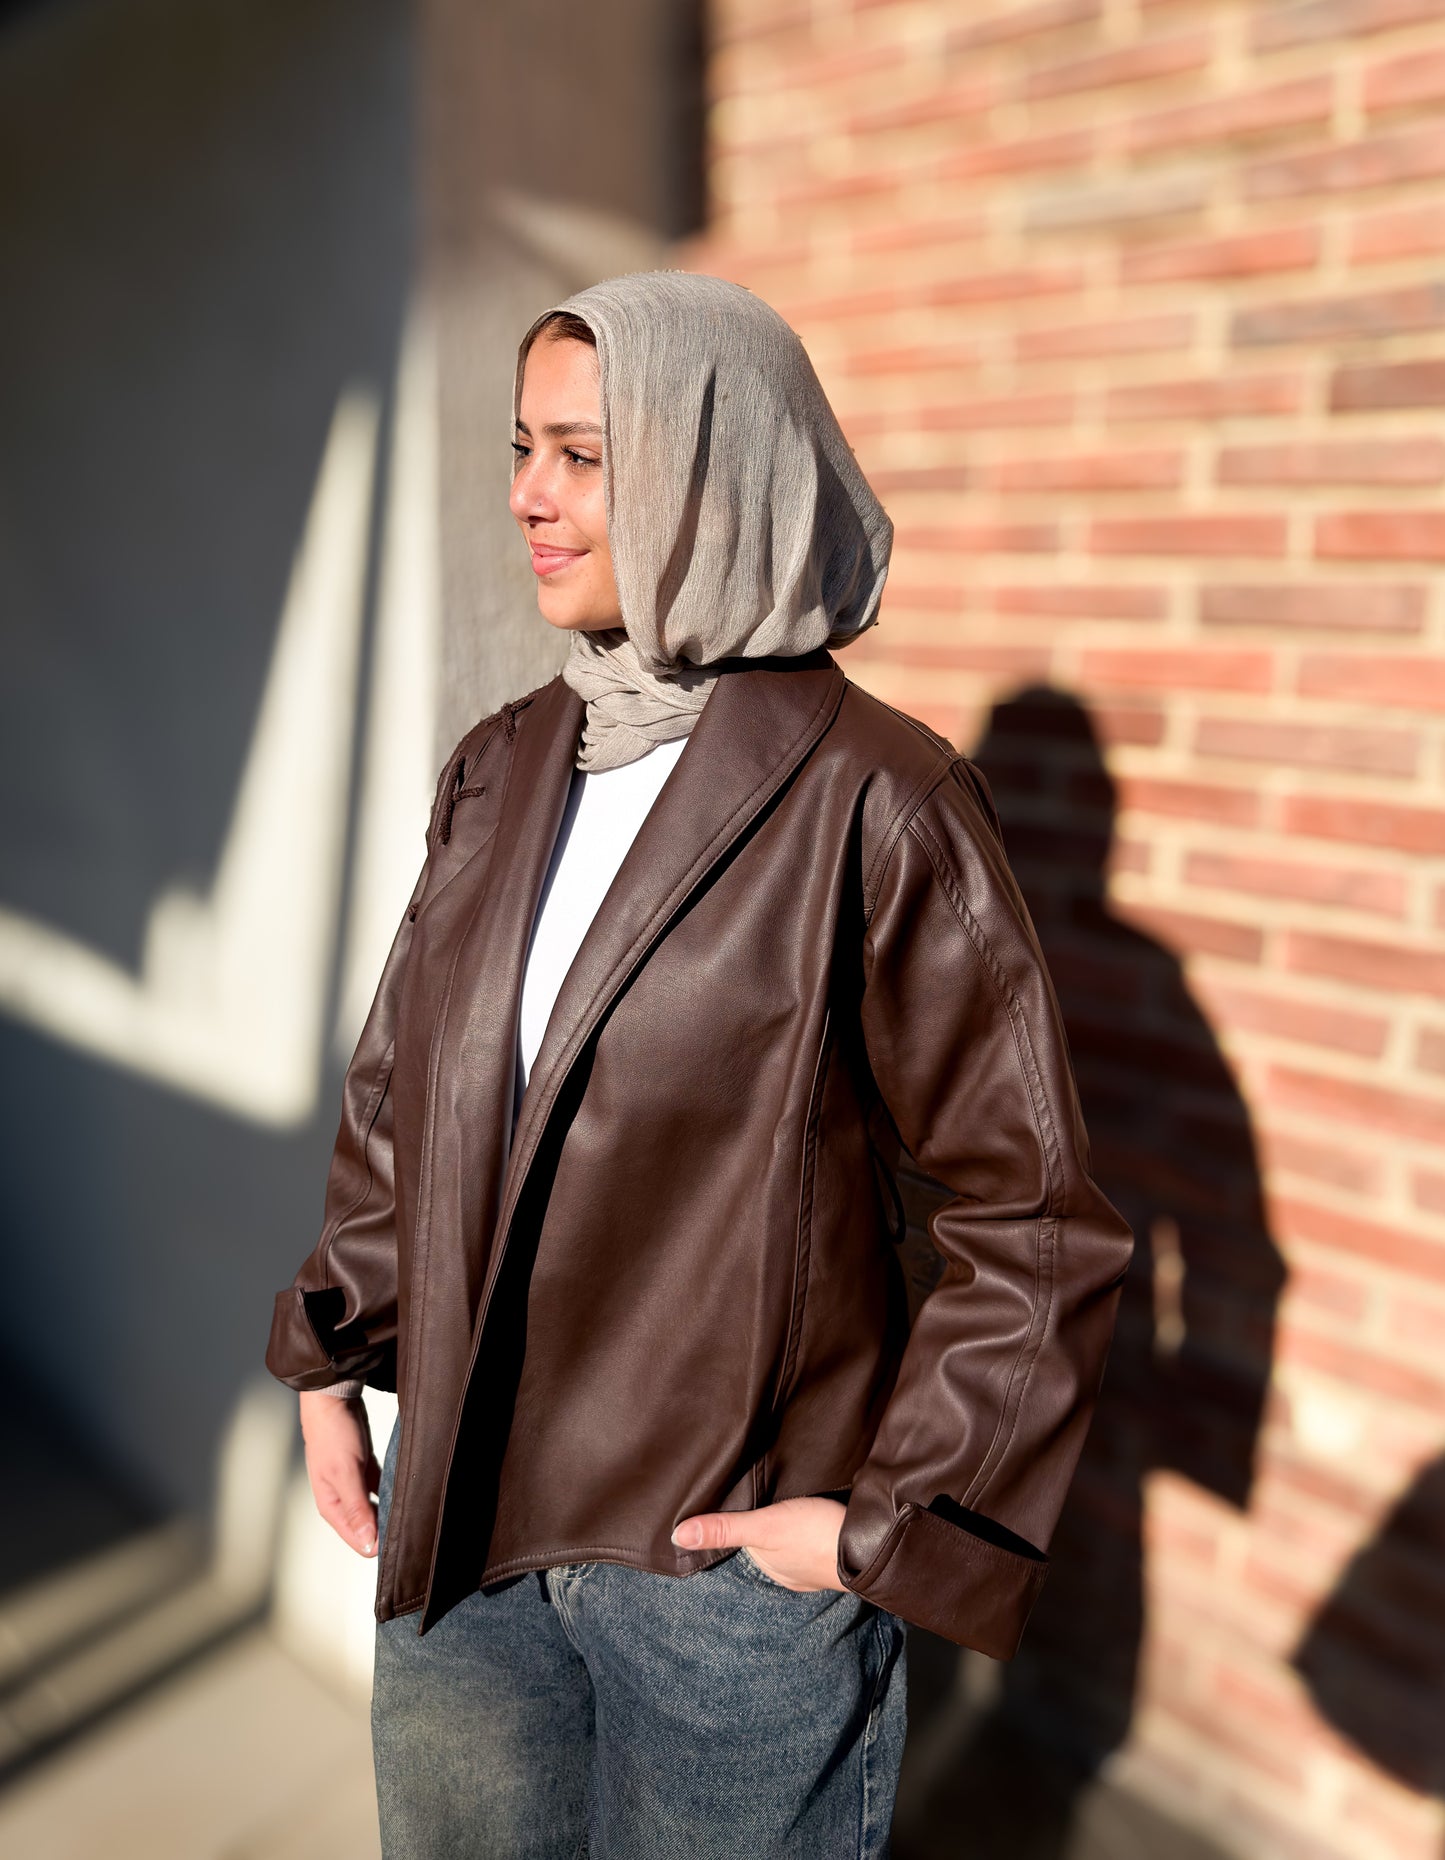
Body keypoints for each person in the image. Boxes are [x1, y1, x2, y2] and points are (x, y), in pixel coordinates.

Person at [265, 271, 1134, 1859]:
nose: (528, 495)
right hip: (463, 1540)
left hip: (722, 1582)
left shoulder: (881, 799)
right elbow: (408, 1092)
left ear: (710, 468)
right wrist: (335, 1348)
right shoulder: (503, 762)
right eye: (522, 447)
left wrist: (884, 1528)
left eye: (583, 456)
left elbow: (1032, 1216)